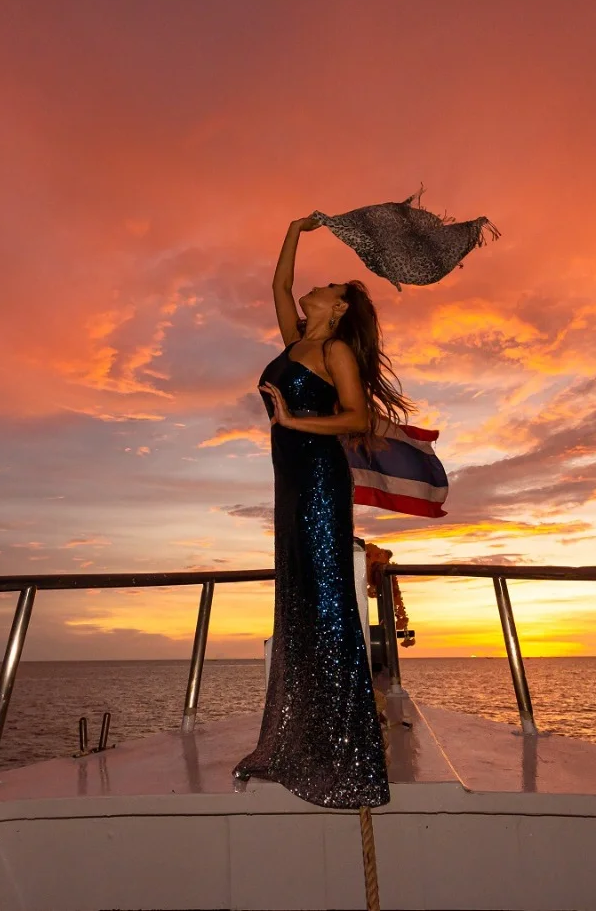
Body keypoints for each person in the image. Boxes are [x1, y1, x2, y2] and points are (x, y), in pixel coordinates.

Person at [231, 216, 414, 809]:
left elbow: (358, 419)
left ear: (336, 311)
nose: (317, 287)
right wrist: (291, 230)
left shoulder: (334, 350)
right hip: (291, 483)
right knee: (302, 599)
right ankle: (306, 737)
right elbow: (279, 288)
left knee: (330, 602)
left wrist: (292, 422)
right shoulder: (296, 343)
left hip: (317, 481)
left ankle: (347, 751)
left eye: (331, 289)